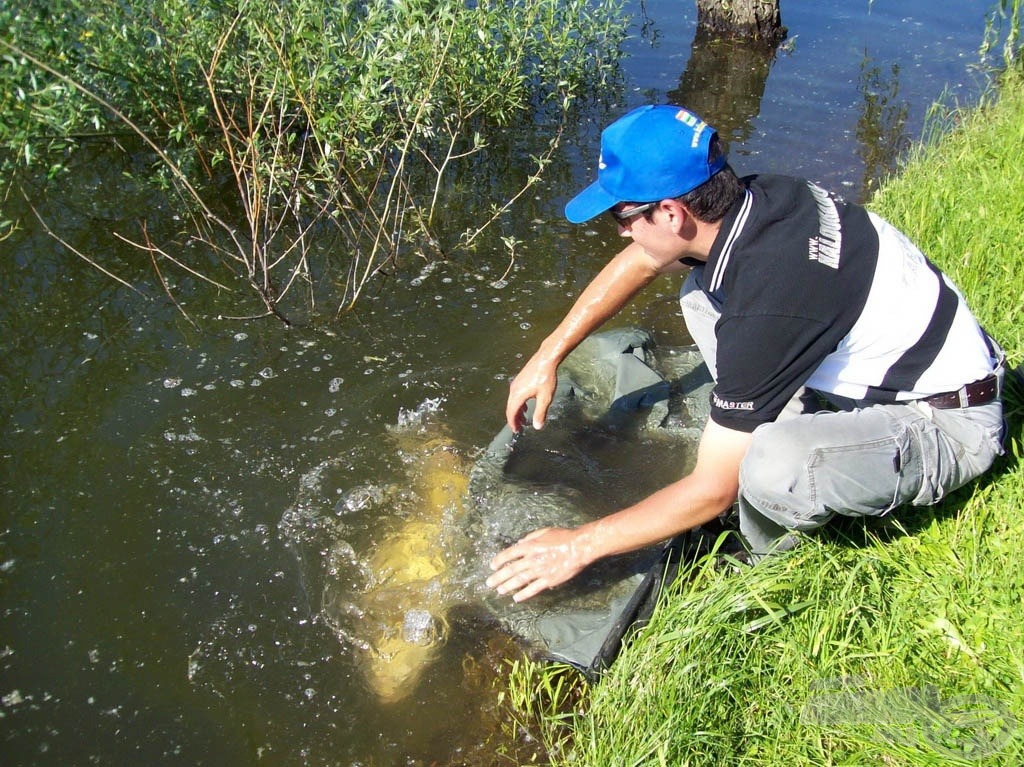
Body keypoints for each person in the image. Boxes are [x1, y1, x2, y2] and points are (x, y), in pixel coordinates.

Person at [486, 104, 1006, 603]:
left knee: (771, 466)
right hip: (920, 359)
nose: (619, 229)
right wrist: (547, 354)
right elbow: (642, 262)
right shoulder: (764, 197)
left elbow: (713, 490)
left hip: (950, 423)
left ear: (671, 212)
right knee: (699, 293)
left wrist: (579, 545)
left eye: (623, 215)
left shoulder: (770, 302)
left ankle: (756, 562)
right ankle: (771, 418)